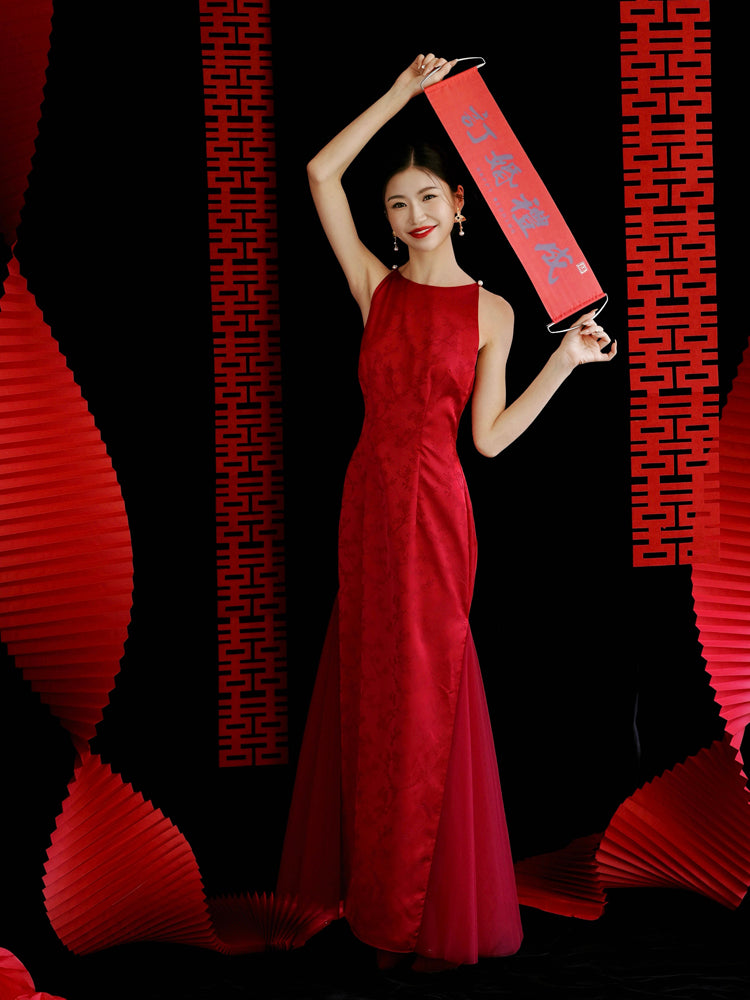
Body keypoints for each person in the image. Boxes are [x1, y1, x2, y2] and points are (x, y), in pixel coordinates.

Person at [276, 53, 616, 972]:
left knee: (429, 695)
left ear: (459, 203)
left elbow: (493, 441)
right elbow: (317, 173)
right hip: (366, 504)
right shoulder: (372, 289)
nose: (412, 215)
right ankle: (376, 896)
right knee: (374, 691)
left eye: (428, 197)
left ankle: (419, 906)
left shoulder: (495, 312)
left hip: (437, 513)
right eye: (396, 204)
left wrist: (565, 364)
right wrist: (399, 94)